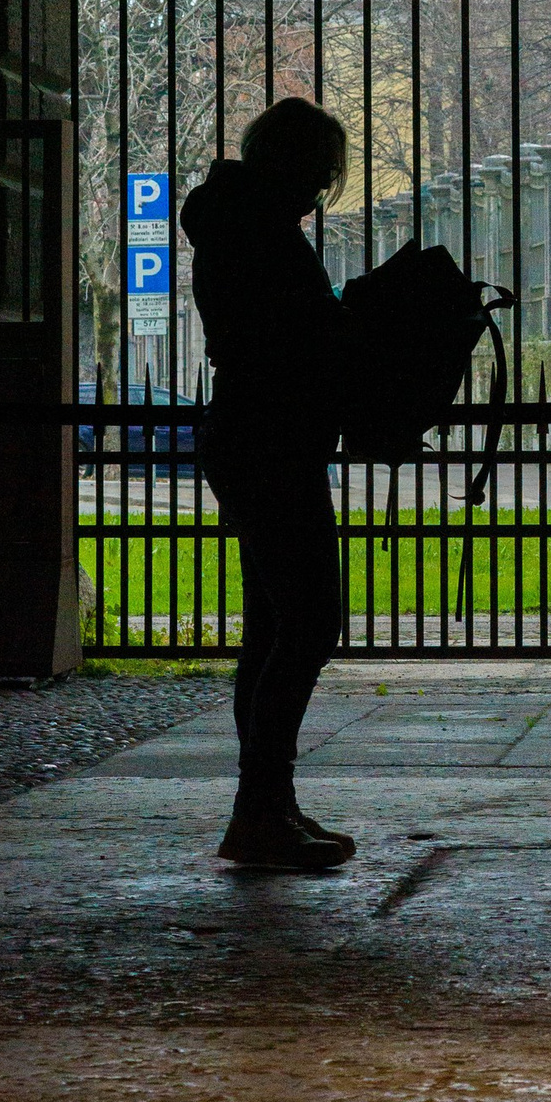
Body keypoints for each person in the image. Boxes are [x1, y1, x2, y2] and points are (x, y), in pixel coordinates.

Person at [181, 97, 356, 871]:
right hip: (272, 439)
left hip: (255, 435)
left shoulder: (238, 223)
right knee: (312, 620)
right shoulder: (262, 235)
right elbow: (296, 338)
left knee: (273, 625)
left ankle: (267, 804)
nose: (322, 190)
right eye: (320, 172)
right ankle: (259, 807)